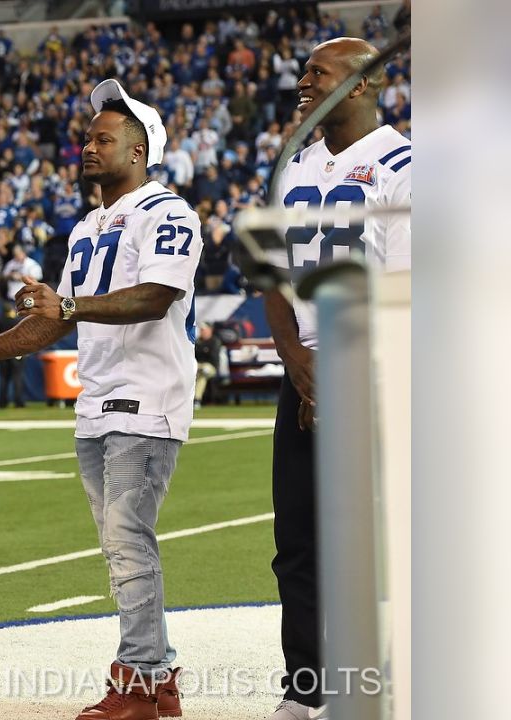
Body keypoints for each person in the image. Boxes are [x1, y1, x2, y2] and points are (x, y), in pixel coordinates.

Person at [0, 79, 201, 720]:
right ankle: (157, 678)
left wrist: (72, 305)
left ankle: (140, 680)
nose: (88, 146)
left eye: (103, 138)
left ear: (138, 152)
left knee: (127, 539)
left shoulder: (168, 212)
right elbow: (57, 319)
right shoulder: (86, 226)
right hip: (97, 401)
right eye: (88, 136)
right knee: (119, 545)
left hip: (147, 399)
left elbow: (157, 294)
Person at [262, 37, 411, 720]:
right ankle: (305, 688)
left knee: (395, 542)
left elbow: (410, 289)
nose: (302, 81)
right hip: (306, 373)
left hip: (380, 373)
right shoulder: (292, 167)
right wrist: (299, 362)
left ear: (359, 85)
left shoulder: (406, 166)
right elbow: (269, 276)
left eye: (317, 71)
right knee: (297, 543)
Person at [193, 323, 225, 408]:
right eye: (201, 330)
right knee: (200, 374)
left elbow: (212, 358)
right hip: (198, 366)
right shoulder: (198, 341)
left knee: (204, 372)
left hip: (211, 367)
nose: (202, 332)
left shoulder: (215, 341)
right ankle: (195, 400)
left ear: (209, 330)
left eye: (203, 330)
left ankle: (196, 400)